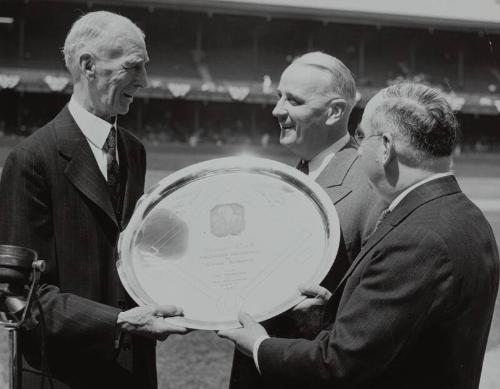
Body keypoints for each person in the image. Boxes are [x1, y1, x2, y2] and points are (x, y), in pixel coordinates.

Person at [219, 83, 499, 389]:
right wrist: (334, 312)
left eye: (361, 136)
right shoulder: (463, 214)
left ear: (386, 146)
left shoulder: (419, 237)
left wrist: (259, 345)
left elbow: (338, 364)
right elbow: (409, 325)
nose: (357, 148)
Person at [0, 11, 187, 389]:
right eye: (133, 67)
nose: (145, 81)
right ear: (88, 65)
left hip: (133, 370)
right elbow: (20, 298)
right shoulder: (31, 159)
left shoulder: (134, 151)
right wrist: (118, 322)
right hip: (62, 373)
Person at [229, 52, 384, 388]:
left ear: (335, 112)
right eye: (279, 97)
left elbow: (378, 308)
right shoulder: (284, 178)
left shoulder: (370, 187)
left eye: (293, 100)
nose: (277, 109)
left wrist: (326, 317)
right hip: (257, 368)